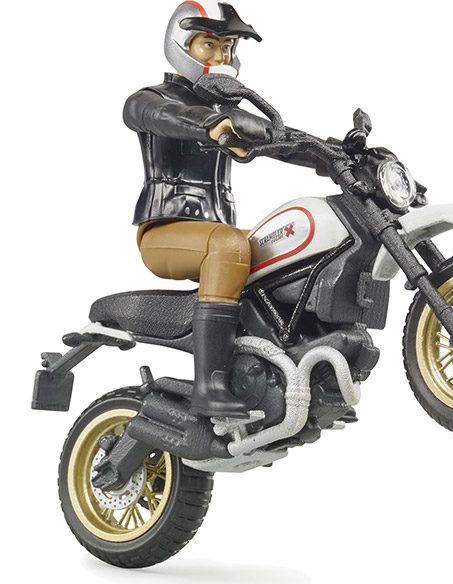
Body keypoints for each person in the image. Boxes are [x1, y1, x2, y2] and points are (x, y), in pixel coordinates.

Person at [124, 1, 321, 418]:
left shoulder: (229, 113)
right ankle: (209, 385)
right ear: (181, 45)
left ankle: (302, 372)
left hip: (218, 236)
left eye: (228, 47)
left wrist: (340, 154)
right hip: (164, 232)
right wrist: (207, 125)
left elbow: (285, 140)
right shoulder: (151, 99)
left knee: (286, 247)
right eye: (209, 45)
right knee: (231, 246)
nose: (221, 57)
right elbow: (157, 115)